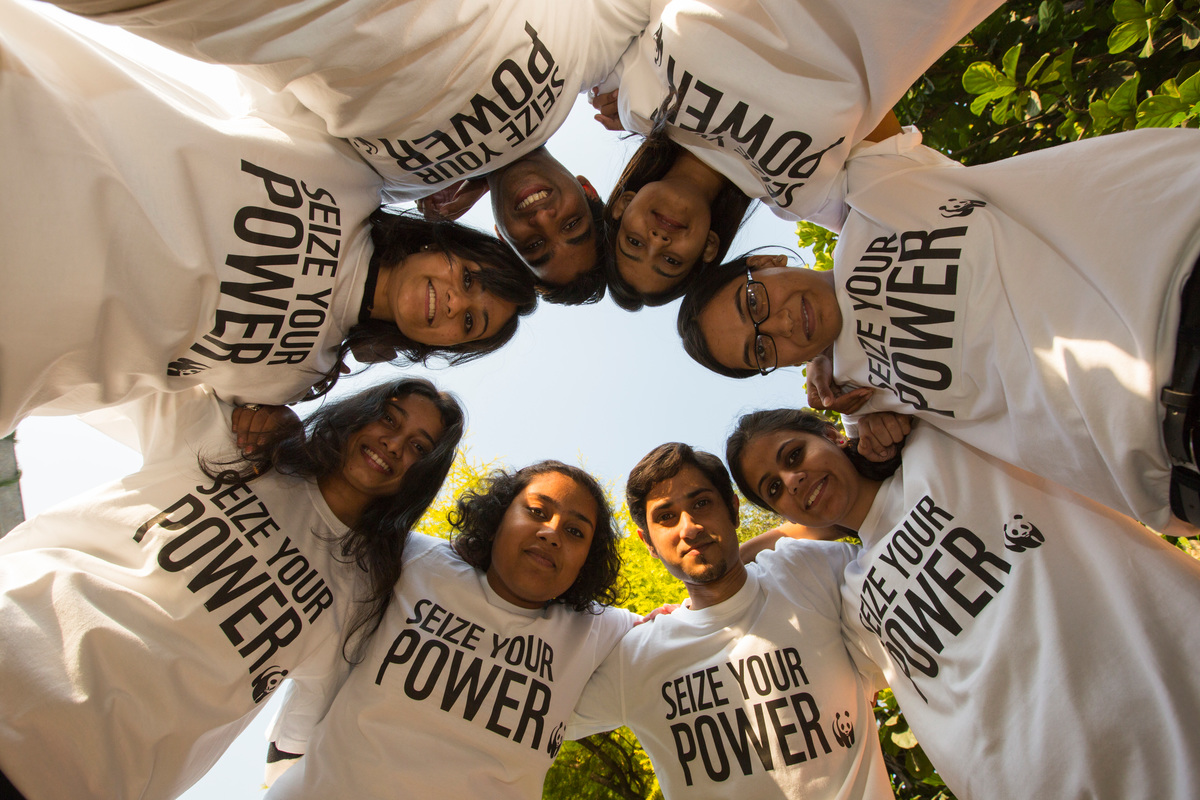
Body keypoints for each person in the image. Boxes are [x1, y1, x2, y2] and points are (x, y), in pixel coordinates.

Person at [0, 0, 536, 436]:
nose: (456, 301)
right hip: (33, 131)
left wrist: (273, 433)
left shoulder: (293, 382)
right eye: (468, 277)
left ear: (444, 348)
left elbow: (184, 420)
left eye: (470, 323)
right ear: (444, 245)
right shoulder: (351, 169)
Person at [678, 127, 1200, 530]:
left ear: (768, 260)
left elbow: (821, 70)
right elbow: (856, 482)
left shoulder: (873, 199)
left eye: (754, 300)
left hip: (1175, 284)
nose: (781, 323)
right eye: (761, 348)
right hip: (1170, 460)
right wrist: (875, 435)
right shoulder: (859, 395)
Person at [0, 377, 466, 800]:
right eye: (389, 418)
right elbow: (106, 364)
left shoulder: (359, 597)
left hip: (84, 777)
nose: (394, 442)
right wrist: (255, 395)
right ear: (358, 413)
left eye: (419, 448)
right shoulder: (240, 442)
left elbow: (307, 742)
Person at [726, 407, 1200, 799]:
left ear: (832, 433)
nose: (791, 479)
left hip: (1172, 715)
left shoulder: (945, 445)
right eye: (773, 488)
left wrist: (869, 413)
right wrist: (723, 567)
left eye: (794, 455)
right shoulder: (850, 596)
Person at [42, 0, 654, 296]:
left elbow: (269, 151)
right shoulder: (582, 59)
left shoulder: (392, 184)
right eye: (573, 223)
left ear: (501, 237)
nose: (542, 218)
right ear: (590, 189)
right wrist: (636, 81)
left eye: (533, 246)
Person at [261, 461, 636, 799]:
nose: (552, 533)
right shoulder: (416, 558)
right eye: (537, 511)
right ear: (500, 516)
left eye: (575, 531)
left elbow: (686, 636)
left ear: (588, 559)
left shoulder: (600, 631)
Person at [594, 0, 1005, 307]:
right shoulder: (804, 198)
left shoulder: (635, 101)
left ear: (624, 204)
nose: (658, 240)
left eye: (634, 241)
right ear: (709, 249)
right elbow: (917, 239)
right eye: (670, 261)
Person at [568, 443, 892, 799]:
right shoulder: (634, 658)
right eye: (666, 517)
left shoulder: (809, 572)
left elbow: (874, 510)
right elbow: (525, 715)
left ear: (733, 509)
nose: (689, 528)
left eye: (701, 504)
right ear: (649, 542)